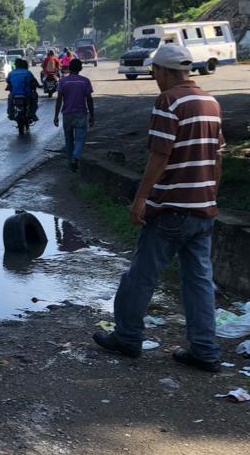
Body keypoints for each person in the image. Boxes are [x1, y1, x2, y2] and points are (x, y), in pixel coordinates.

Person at [93, 44, 225, 373]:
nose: (154, 79)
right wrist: (211, 195)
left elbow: (159, 155)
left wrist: (140, 199)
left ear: (163, 71)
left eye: (155, 73)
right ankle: (205, 350)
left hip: (171, 209)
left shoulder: (169, 101)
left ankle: (127, 337)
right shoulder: (211, 102)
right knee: (199, 281)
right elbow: (218, 156)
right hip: (202, 209)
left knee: (141, 275)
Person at [53, 58, 95, 170]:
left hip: (67, 114)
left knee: (68, 139)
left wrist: (56, 115)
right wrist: (92, 115)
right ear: (80, 68)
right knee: (80, 138)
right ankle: (75, 157)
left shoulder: (63, 81)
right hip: (81, 114)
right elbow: (89, 100)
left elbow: (59, 100)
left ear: (69, 68)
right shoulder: (85, 81)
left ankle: (70, 161)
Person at [5, 57, 39, 122]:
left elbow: (8, 81)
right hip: (27, 94)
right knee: (35, 98)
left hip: (14, 94)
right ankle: (33, 113)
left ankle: (10, 113)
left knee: (10, 99)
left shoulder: (11, 73)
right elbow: (33, 81)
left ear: (15, 65)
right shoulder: (28, 72)